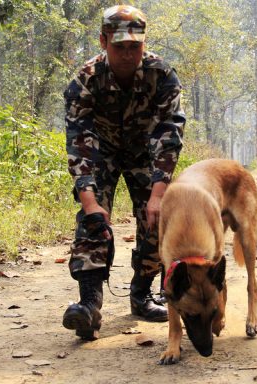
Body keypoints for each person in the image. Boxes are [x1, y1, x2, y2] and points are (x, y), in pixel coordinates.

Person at [62, 5, 185, 341]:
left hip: (146, 152)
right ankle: (89, 305)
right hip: (100, 153)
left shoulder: (162, 75)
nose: (128, 55)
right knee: (92, 219)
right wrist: (90, 204)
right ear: (103, 41)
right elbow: (80, 144)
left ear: (144, 44)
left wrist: (159, 196)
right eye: (120, 47)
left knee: (157, 217)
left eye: (135, 47)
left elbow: (169, 134)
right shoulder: (84, 80)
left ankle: (142, 293)